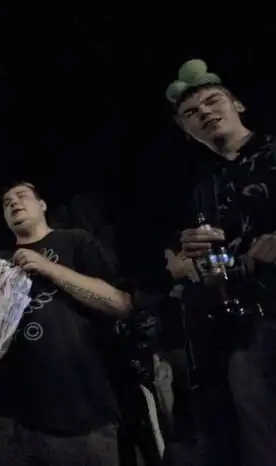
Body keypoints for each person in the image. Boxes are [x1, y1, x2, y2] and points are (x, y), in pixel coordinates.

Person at [0, 181, 132, 466]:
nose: (13, 203)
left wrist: (48, 267)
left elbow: (119, 303)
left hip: (79, 413)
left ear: (42, 205)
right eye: (6, 203)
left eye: (22, 196)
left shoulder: (76, 241)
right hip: (7, 417)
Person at [167, 60, 276, 466]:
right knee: (261, 441)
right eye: (191, 113)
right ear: (186, 130)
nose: (205, 113)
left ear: (238, 105)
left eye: (213, 101)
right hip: (245, 327)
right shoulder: (204, 188)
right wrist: (191, 259)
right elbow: (217, 259)